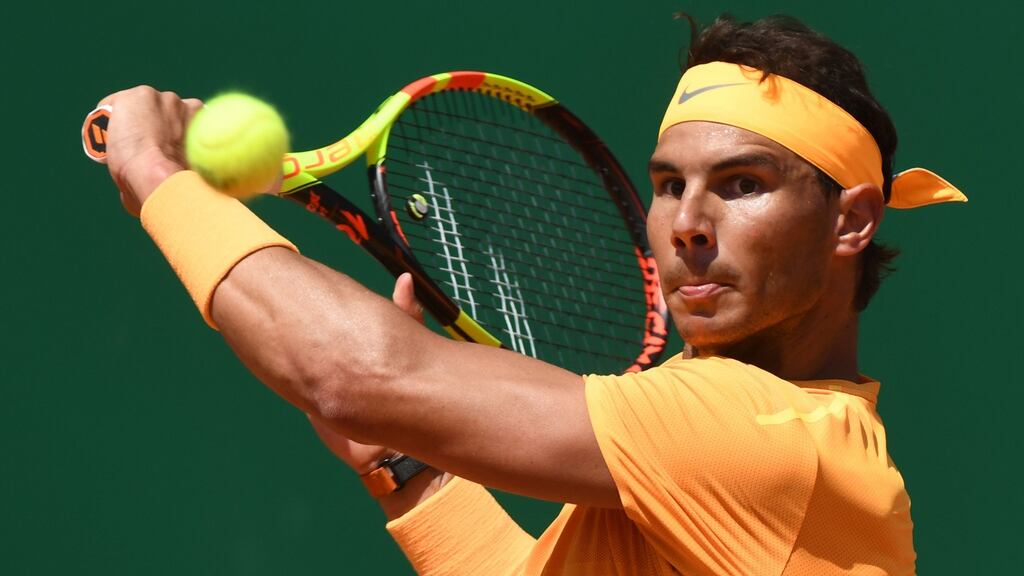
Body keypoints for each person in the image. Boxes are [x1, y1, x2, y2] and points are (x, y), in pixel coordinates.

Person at [97, 13, 966, 576]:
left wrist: (162, 179)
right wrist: (410, 471)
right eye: (668, 185)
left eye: (741, 185)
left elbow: (352, 374)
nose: (688, 223)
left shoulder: (772, 435)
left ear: (851, 221)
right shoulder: (739, 443)